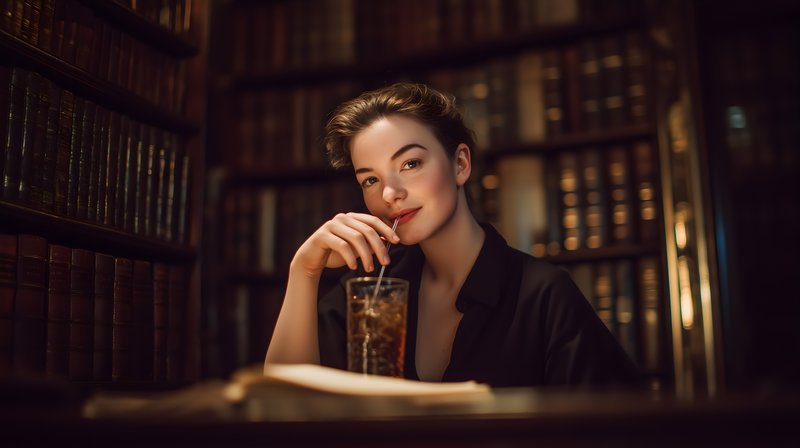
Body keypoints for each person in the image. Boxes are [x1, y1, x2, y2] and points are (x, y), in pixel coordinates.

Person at [264, 82, 640, 388]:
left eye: (410, 164)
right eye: (371, 179)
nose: (389, 193)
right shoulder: (371, 291)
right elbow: (282, 410)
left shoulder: (542, 295)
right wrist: (305, 271)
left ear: (460, 163)